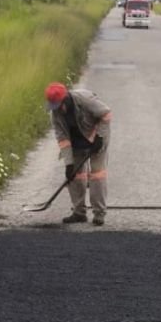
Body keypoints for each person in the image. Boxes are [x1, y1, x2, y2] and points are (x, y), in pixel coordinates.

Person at [45, 82, 112, 226]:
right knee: (75, 176)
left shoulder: (85, 100)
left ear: (66, 100)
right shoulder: (56, 114)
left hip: (96, 137)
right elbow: (62, 139)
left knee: (97, 174)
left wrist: (99, 137)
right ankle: (79, 212)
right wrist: (69, 164)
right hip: (77, 142)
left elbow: (106, 114)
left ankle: (99, 213)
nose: (57, 110)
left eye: (59, 106)